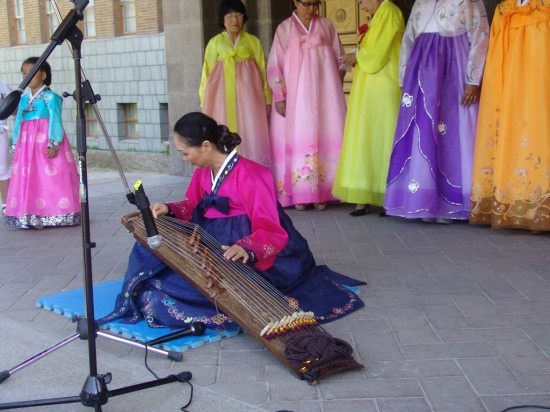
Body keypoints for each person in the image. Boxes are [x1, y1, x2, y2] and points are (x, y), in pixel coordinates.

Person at [101, 112, 365, 331]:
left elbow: (271, 227)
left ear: (206, 146)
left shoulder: (252, 175)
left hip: (246, 251)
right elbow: (195, 206)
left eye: (185, 152)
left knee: (173, 295)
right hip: (209, 241)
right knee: (150, 263)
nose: (185, 159)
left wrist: (248, 248)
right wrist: (169, 208)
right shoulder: (204, 173)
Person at [383, 0, 489, 224]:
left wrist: (473, 80)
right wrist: (404, 77)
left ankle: (452, 202)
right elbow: (408, 40)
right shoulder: (421, 2)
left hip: (453, 72)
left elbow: (480, 35)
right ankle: (425, 201)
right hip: (421, 75)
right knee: (423, 128)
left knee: (452, 132)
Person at [470, 0, 550, 231]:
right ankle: (518, 203)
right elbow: (495, 49)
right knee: (513, 140)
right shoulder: (504, 9)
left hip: (541, 84)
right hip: (511, 87)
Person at [267, 0, 347, 211]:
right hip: (296, 98)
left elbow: (340, 59)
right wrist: (279, 96)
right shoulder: (284, 28)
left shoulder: (327, 26)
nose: (311, 9)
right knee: (299, 135)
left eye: (315, 3)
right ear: (295, 1)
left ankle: (324, 191)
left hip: (325, 95)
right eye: (307, 3)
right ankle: (299, 193)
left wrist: (335, 86)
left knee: (325, 132)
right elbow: (275, 63)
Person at [332, 0, 405, 217]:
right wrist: (356, 55)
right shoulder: (377, 15)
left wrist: (356, 56)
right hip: (368, 86)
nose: (362, 6)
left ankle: (386, 197)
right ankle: (363, 196)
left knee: (383, 137)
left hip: (383, 84)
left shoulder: (390, 11)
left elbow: (378, 52)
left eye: (362, 1)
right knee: (365, 138)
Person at [4, 57, 81, 229]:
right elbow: (18, 122)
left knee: (52, 175)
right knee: (30, 177)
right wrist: (16, 143)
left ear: (44, 74)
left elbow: (55, 121)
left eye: (31, 73)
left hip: (44, 141)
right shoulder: (23, 99)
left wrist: (54, 143)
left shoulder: (50, 97)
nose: (27, 77)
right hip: (26, 144)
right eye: (24, 74)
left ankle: (56, 212)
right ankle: (30, 213)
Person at [199, 0, 272, 167]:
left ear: (244, 17)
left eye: (238, 15)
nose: (234, 19)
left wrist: (268, 99)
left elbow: (264, 72)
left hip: (249, 100)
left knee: (251, 132)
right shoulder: (215, 43)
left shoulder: (253, 42)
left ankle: (252, 173)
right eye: (230, 15)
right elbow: (206, 74)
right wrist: (204, 100)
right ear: (222, 19)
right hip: (221, 101)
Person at [0, 80, 13, 217]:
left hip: (0, 132)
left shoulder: (3, 86)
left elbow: (15, 109)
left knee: (3, 170)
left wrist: (4, 104)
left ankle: (6, 204)